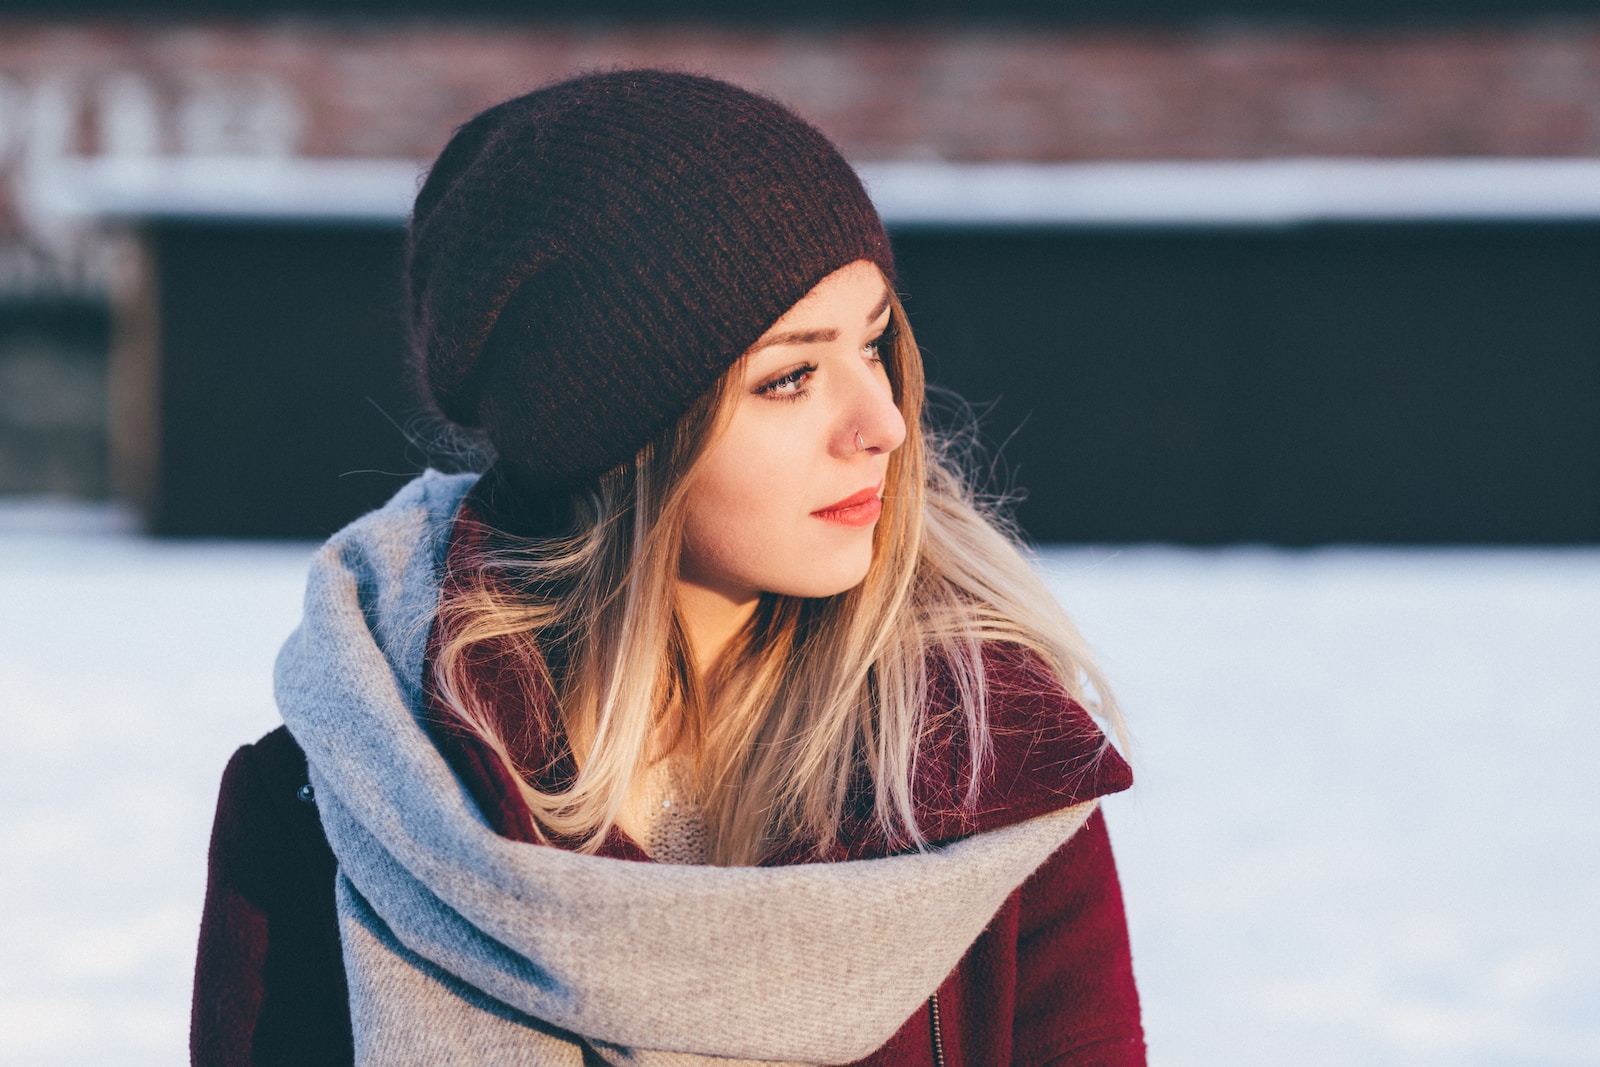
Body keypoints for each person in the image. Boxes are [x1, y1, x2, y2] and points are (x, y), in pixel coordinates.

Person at [191, 69, 1145, 1067]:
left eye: (873, 345)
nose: (884, 424)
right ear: (622, 440)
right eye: (790, 376)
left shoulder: (985, 781)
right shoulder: (340, 802)